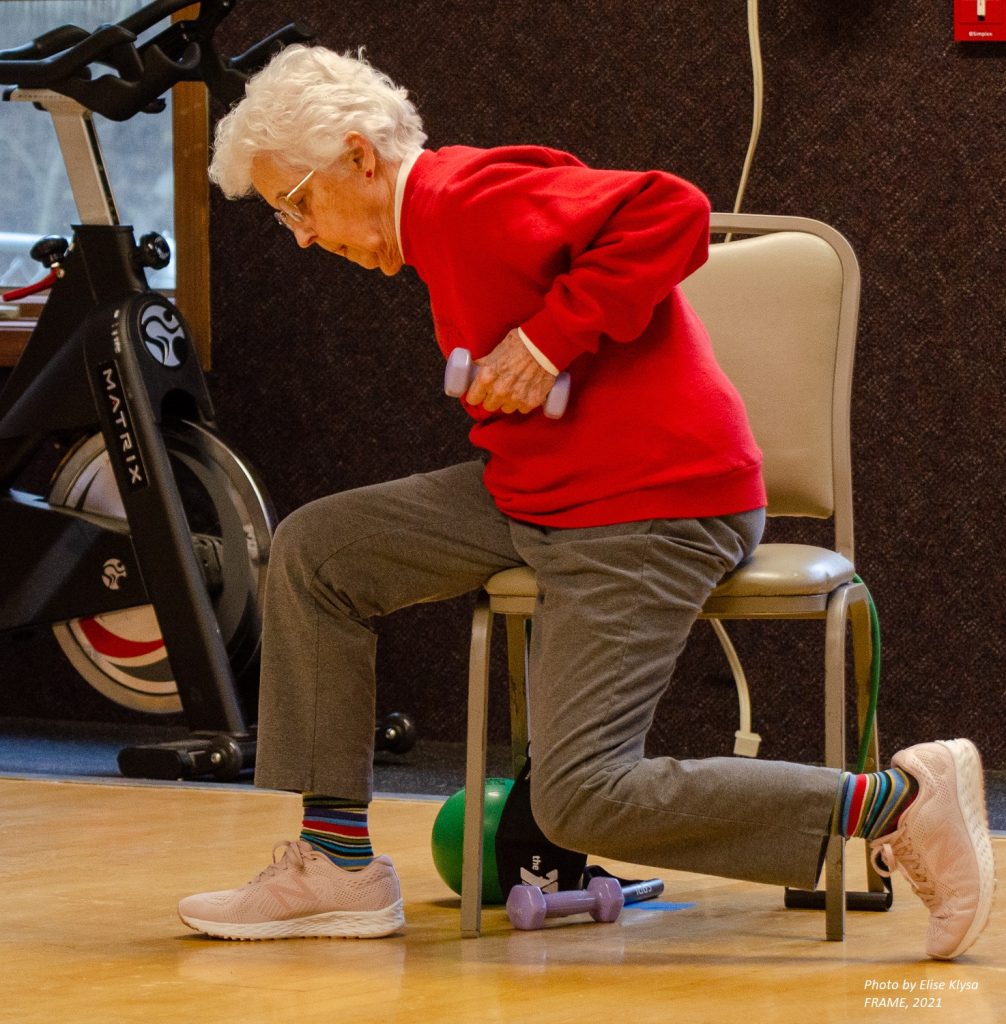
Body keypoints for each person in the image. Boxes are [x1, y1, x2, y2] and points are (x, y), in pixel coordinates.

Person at [178, 45, 995, 959]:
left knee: (579, 794)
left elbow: (673, 211)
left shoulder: (465, 199)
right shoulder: (440, 227)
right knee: (320, 551)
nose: (299, 234)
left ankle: (899, 804)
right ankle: (337, 865)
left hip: (651, 505)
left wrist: (547, 338)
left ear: (361, 159)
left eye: (297, 204)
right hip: (546, 493)